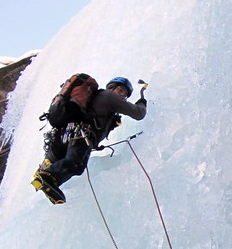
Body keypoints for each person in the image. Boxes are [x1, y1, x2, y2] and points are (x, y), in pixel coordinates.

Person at [32, 76, 147, 204]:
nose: (122, 95)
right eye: (120, 90)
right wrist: (142, 102)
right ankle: (48, 176)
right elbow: (138, 113)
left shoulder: (96, 100)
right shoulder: (109, 96)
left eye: (125, 94)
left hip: (64, 135)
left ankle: (49, 179)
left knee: (76, 165)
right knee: (76, 163)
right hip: (81, 135)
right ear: (111, 88)